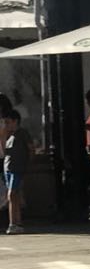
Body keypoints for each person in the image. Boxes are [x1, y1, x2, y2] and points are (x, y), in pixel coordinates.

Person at [1, 99, 31, 235]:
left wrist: (28, 163)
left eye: (8, 122)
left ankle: (13, 223)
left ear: (15, 121)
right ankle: (17, 221)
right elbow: (4, 151)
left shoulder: (22, 134)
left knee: (12, 194)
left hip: (17, 167)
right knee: (14, 195)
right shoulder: (8, 136)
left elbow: (31, 149)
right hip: (8, 166)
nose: (6, 125)